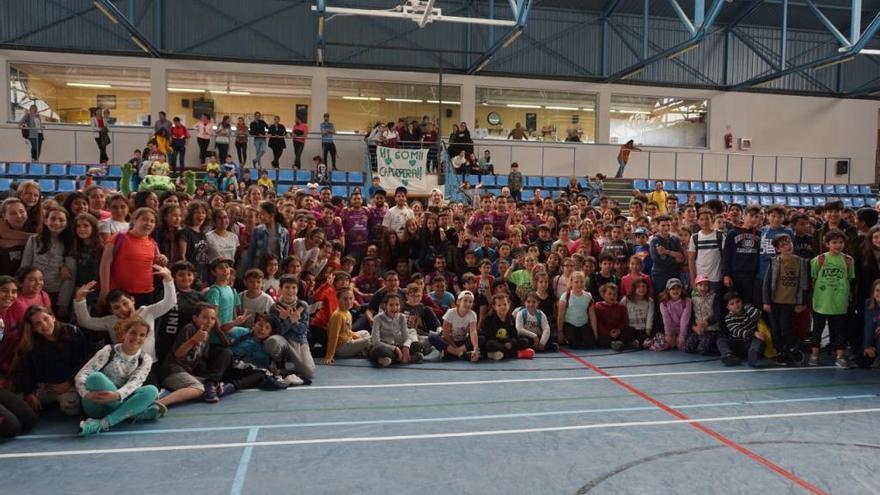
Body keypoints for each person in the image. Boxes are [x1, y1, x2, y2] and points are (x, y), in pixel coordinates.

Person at [74, 318, 163, 436]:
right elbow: (82, 374)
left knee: (151, 390)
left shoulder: (145, 359)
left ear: (145, 339)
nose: (137, 337)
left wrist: (117, 395)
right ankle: (134, 412)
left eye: (142, 335)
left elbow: (136, 382)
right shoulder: (109, 351)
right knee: (95, 378)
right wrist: (86, 394)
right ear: (124, 334)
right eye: (133, 332)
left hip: (120, 397)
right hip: (97, 402)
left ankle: (101, 424)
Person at [14, 305, 89, 417]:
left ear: (53, 317)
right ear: (33, 328)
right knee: (17, 405)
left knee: (70, 409)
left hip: (69, 384)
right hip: (45, 386)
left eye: (46, 319)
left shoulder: (72, 332)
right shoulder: (31, 342)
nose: (44, 325)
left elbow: (85, 360)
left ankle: (56, 400)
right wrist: (29, 392)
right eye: (37, 324)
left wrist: (70, 382)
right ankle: (47, 400)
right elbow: (26, 370)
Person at [159, 302, 233, 405]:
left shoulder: (206, 334)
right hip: (172, 371)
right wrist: (194, 340)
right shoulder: (190, 329)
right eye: (205, 318)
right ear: (195, 318)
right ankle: (160, 402)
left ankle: (172, 393)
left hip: (187, 373)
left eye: (212, 319)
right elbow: (178, 354)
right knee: (200, 389)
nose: (209, 322)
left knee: (213, 386)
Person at [809, 230, 856, 368]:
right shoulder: (819, 259)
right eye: (834, 242)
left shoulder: (848, 260)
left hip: (839, 303)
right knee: (817, 330)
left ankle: (840, 356)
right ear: (827, 243)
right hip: (821, 302)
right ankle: (814, 354)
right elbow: (814, 278)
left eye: (840, 242)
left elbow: (849, 279)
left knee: (840, 331)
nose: (838, 245)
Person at [761, 234, 809, 365]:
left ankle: (789, 348)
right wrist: (766, 301)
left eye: (788, 243)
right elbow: (767, 283)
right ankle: (780, 351)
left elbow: (804, 284)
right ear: (777, 249)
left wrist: (802, 302)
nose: (787, 246)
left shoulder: (801, 262)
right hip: (774, 301)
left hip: (790, 302)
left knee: (785, 328)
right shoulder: (775, 262)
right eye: (782, 245)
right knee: (775, 329)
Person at [369, 293, 423, 367]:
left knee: (417, 345)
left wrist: (406, 346)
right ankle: (402, 357)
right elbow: (376, 342)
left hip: (399, 345)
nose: (394, 308)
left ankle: (391, 359)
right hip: (385, 347)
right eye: (391, 305)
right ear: (385, 306)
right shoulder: (378, 318)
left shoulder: (402, 317)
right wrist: (395, 349)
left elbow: (406, 337)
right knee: (378, 350)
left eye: (397, 305)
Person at [718, 291, 766, 367]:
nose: (736, 305)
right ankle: (728, 355)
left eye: (738, 302)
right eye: (732, 304)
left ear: (742, 302)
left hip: (749, 343)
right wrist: (753, 333)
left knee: (758, 340)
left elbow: (758, 315)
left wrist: (747, 308)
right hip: (737, 343)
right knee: (720, 340)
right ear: (727, 307)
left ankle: (752, 355)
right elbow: (737, 331)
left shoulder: (748, 309)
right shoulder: (728, 318)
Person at [323, 288, 369, 364]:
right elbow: (333, 336)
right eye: (345, 299)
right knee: (368, 339)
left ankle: (363, 350)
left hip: (348, 340)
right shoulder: (338, 316)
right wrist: (329, 356)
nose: (349, 302)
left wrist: (358, 337)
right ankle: (368, 351)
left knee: (365, 333)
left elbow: (348, 331)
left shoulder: (347, 312)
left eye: (351, 298)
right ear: (338, 300)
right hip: (342, 348)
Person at [431, 290, 480, 361]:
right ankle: (460, 354)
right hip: (450, 342)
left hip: (462, 342)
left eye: (470, 302)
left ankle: (453, 353)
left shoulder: (472, 314)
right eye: (465, 301)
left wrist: (476, 349)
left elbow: (473, 332)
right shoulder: (450, 312)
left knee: (481, 338)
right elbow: (446, 334)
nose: (468, 303)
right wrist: (456, 349)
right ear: (458, 302)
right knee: (432, 337)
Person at [556, 271, 597, 349]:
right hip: (570, 324)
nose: (579, 284)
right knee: (574, 343)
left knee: (591, 342)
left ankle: (583, 337)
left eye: (582, 282)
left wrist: (595, 332)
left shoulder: (588, 296)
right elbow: (561, 316)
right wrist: (560, 332)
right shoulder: (565, 296)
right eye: (576, 282)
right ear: (571, 283)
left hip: (583, 324)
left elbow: (592, 315)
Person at [685, 275, 722, 356]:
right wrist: (694, 327)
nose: (703, 288)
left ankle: (717, 347)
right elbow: (691, 316)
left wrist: (707, 322)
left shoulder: (714, 297)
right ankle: (703, 342)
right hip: (698, 329)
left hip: (712, 329)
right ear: (696, 286)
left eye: (706, 285)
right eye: (700, 285)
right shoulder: (693, 299)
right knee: (688, 347)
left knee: (702, 350)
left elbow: (718, 314)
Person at [658, 278, 691, 351]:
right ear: (667, 290)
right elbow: (666, 320)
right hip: (671, 330)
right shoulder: (663, 304)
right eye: (672, 288)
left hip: (683, 329)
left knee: (681, 345)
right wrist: (668, 334)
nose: (675, 291)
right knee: (670, 344)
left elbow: (684, 319)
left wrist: (682, 335)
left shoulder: (687, 301)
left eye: (678, 288)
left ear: (681, 289)